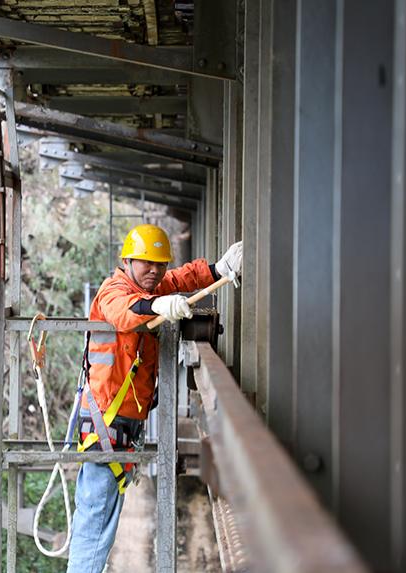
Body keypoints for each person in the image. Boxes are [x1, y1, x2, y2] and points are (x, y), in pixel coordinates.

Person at [66, 224, 243, 572]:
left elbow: (181, 279)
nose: (155, 271)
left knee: (103, 517)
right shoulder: (115, 290)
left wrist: (218, 270)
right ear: (128, 261)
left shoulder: (152, 284)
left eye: (159, 264)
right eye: (146, 263)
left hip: (123, 424)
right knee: (95, 517)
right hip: (106, 423)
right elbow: (124, 312)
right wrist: (157, 304)